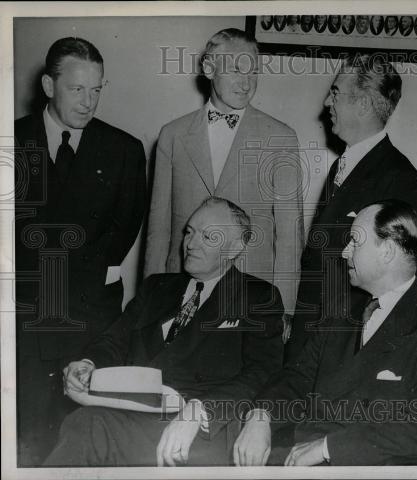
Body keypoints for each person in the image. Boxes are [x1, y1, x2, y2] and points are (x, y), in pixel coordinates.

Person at [43, 198, 285, 467]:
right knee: (83, 424)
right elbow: (114, 340)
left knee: (89, 427)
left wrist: (201, 409)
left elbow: (264, 372)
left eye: (208, 236)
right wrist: (88, 364)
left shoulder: (257, 296)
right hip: (132, 411)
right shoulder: (156, 287)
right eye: (189, 232)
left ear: (235, 247)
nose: (191, 244)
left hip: (202, 428)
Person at [233, 200, 417, 466]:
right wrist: (261, 416)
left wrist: (327, 448)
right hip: (301, 453)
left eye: (355, 242)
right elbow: (297, 377)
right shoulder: (341, 311)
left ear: (388, 251)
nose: (345, 253)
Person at [14, 37, 147, 466]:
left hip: (89, 322)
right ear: (49, 86)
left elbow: (120, 235)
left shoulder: (124, 151)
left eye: (96, 90)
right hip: (23, 319)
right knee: (27, 439)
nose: (88, 102)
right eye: (77, 89)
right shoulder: (10, 141)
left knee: (80, 445)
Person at [144, 29, 303, 322]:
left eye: (253, 71)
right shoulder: (172, 135)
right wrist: (149, 299)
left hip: (251, 294)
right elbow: (159, 229)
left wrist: (285, 310)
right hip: (180, 289)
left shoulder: (280, 138)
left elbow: (290, 237)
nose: (246, 82)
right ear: (208, 69)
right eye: (235, 70)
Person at [286, 55, 417, 361]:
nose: (327, 102)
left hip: (342, 347)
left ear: (363, 104)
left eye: (336, 92)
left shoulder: (399, 179)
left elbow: (392, 284)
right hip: (311, 338)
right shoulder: (344, 164)